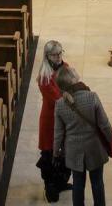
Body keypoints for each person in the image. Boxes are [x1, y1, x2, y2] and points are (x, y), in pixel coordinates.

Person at [53, 65, 112, 206]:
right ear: (73, 79)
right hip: (95, 148)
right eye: (73, 71)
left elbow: (58, 133)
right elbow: (104, 125)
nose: (75, 69)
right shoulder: (92, 97)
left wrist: (56, 153)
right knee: (97, 184)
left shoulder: (60, 104)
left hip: (74, 151)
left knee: (78, 185)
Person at [37, 40, 72, 201]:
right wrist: (69, 96)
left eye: (60, 53)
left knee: (64, 153)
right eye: (54, 54)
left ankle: (60, 182)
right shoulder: (44, 76)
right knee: (50, 154)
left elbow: (73, 84)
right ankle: (50, 187)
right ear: (47, 56)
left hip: (64, 119)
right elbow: (58, 99)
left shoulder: (65, 67)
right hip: (50, 120)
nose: (58, 57)